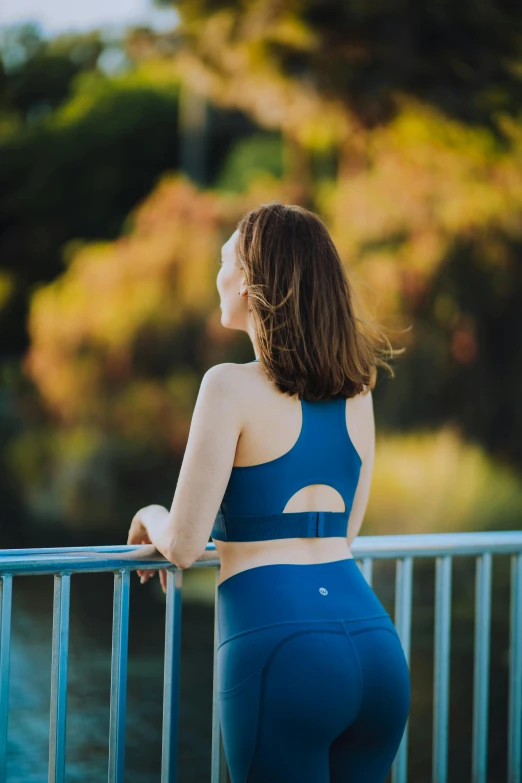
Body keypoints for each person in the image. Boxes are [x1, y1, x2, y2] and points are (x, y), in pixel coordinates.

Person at [127, 202, 410, 782]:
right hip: (377, 648)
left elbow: (182, 545)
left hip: (284, 654)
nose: (218, 274)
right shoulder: (359, 393)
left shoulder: (228, 386)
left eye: (225, 260)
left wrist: (148, 515)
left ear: (254, 283)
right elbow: (346, 531)